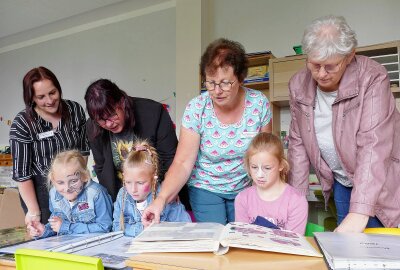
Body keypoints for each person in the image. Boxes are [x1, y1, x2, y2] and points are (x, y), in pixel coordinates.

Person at [288, 15, 400, 233]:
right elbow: (298, 144)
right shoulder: (298, 85)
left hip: (382, 180)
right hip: (342, 180)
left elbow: (373, 145)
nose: (321, 74)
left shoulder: (373, 77)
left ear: (349, 57)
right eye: (314, 64)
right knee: (347, 253)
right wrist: (296, 200)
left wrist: (359, 213)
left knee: (381, 249)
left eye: (330, 66)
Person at [142, 38, 272, 225]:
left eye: (225, 83)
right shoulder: (197, 108)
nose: (217, 91)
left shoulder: (259, 104)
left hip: (246, 187)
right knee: (214, 240)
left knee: (243, 240)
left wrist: (269, 196)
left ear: (241, 79)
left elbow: (267, 156)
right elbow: (182, 162)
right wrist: (160, 200)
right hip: (205, 186)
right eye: (210, 83)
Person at [84, 79, 190, 208]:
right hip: (122, 199)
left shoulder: (153, 113)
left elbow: (170, 159)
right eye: (101, 120)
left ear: (122, 102)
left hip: (158, 192)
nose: (108, 124)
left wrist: (165, 195)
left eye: (112, 115)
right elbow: (101, 168)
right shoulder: (93, 126)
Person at [10, 66, 90, 225]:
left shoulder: (74, 110)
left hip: (75, 183)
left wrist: (76, 182)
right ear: (31, 98)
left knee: (80, 231)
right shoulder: (23, 123)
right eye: (41, 97)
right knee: (49, 238)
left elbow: (83, 151)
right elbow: (22, 174)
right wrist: (33, 212)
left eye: (53, 93)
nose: (49, 100)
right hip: (41, 191)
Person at [113, 140, 191, 237]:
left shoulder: (165, 194)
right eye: (128, 182)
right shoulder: (122, 195)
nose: (133, 189)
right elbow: (116, 228)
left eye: (140, 183)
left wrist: (155, 231)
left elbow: (185, 226)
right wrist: (142, 229)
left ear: (153, 177)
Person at [28, 150, 113, 238]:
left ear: (85, 176)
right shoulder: (54, 194)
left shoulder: (97, 194)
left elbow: (106, 227)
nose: (67, 188)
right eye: (60, 183)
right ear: (53, 181)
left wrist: (67, 227)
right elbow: (57, 226)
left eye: (73, 181)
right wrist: (43, 231)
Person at [235, 133, 308, 235]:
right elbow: (242, 238)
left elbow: (293, 244)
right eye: (254, 167)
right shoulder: (242, 198)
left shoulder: (297, 200)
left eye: (267, 168)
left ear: (281, 165)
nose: (259, 175)